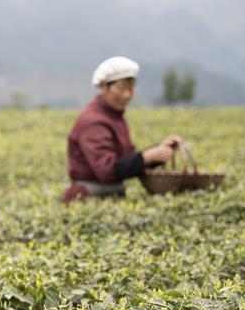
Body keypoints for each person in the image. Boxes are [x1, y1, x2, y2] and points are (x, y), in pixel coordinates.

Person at [60, 56, 181, 203]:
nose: (127, 95)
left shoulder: (114, 116)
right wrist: (146, 157)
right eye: (121, 88)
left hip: (110, 196)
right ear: (104, 86)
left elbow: (127, 162)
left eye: (131, 88)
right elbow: (106, 170)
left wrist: (159, 152)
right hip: (88, 198)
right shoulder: (93, 121)